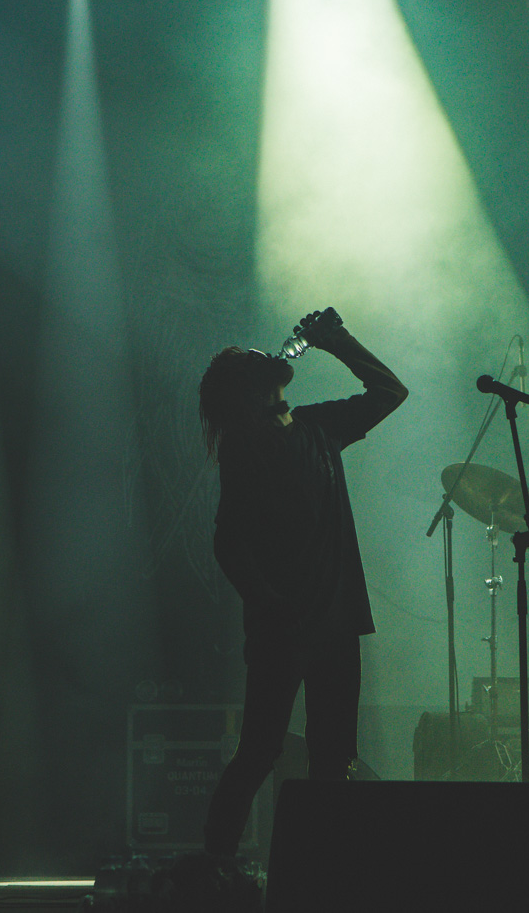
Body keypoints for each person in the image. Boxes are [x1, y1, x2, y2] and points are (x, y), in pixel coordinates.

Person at [198, 308, 406, 859]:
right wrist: (269, 602)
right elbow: (227, 541)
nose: (270, 357)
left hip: (336, 621)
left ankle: (321, 872)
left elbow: (391, 392)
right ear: (249, 388)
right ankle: (214, 866)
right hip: (285, 628)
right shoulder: (245, 446)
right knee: (259, 751)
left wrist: (338, 341)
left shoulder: (318, 426)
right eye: (255, 362)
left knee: (333, 758)